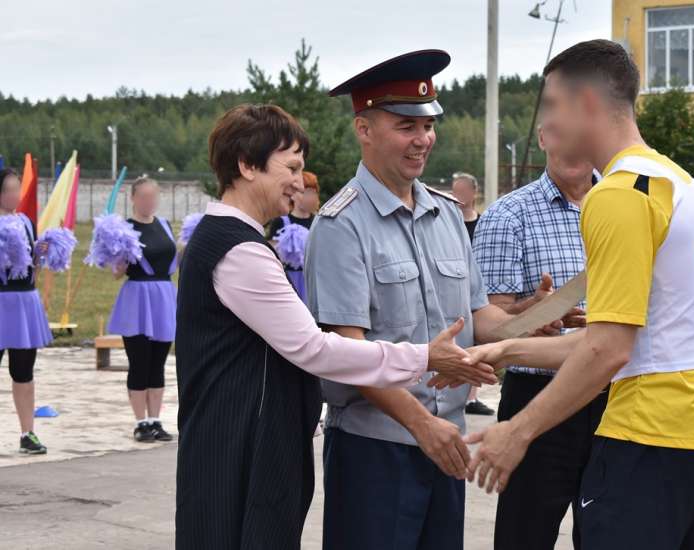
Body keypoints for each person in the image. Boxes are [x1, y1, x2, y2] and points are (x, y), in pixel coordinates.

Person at [465, 39, 694, 550]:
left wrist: (518, 430)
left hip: (652, 433)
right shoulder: (680, 184)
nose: (547, 121)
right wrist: (506, 348)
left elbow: (608, 348)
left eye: (552, 104)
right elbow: (640, 335)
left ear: (587, 104)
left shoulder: (619, 194)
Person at [174, 103, 495, 550]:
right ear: (247, 166)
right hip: (241, 453)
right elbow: (317, 350)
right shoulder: (239, 251)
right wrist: (422, 356)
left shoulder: (224, 241)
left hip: (241, 446)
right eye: (290, 167)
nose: (299, 182)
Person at [305, 50, 558, 550]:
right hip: (376, 449)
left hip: (446, 443)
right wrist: (423, 426)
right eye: (405, 126)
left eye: (428, 125)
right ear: (364, 128)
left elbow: (476, 319)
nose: (423, 140)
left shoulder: (447, 214)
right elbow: (346, 353)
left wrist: (533, 317)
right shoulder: (341, 225)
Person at [472, 126, 601, 550]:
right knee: (524, 536)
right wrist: (529, 313)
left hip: (615, 396)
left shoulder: (626, 206)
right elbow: (487, 322)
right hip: (536, 394)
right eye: (561, 133)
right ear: (544, 138)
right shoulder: (508, 215)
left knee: (609, 533)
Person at [107, 177, 177, 443]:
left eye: (153, 196)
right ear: (133, 198)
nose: (149, 202)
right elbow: (115, 271)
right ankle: (140, 422)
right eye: (144, 197)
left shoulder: (165, 226)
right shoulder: (125, 228)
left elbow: (173, 258)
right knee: (139, 361)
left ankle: (156, 419)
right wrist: (121, 261)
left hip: (163, 296)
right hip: (137, 298)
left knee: (158, 362)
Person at [0, 168, 52, 455]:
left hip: (24, 303)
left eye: (15, 189)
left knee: (23, 372)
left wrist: (40, 254)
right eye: (6, 189)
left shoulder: (26, 223)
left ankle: (27, 432)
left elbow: (34, 267)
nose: (12, 195)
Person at [450, 171, 494, 416]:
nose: (460, 195)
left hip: (479, 291)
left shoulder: (483, 223)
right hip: (456, 290)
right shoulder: (447, 222)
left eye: (464, 190)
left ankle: (471, 396)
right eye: (456, 191)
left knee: (476, 340)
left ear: (474, 193)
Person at [266, 170, 320, 300]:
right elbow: (273, 255)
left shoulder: (318, 222)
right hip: (287, 283)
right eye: (305, 192)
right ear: (294, 194)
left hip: (313, 283)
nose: (310, 197)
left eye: (313, 192)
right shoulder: (281, 222)